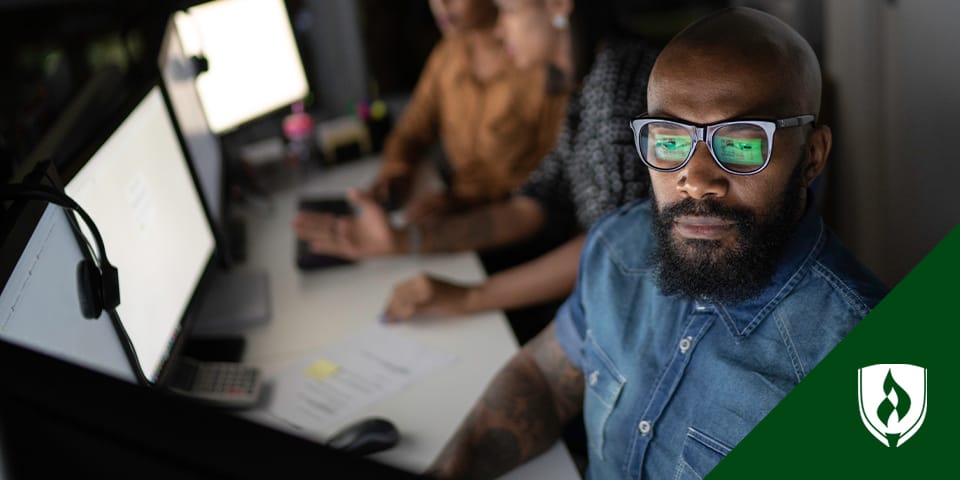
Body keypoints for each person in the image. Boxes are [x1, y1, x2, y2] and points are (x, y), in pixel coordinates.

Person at [427, 7, 889, 479]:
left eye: (742, 145)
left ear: (812, 156)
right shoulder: (617, 248)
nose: (695, 180)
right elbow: (542, 380)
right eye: (668, 141)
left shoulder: (868, 362)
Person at [294, 0, 659, 331]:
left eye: (509, 11)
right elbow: (535, 203)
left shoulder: (616, 81)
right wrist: (404, 240)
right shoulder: (583, 80)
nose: (500, 30)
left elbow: (612, 246)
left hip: (622, 313)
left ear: (558, 5)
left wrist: (470, 297)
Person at [366, 0, 568, 224]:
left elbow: (555, 177)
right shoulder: (448, 54)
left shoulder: (539, 59)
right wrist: (397, 171)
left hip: (515, 223)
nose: (441, 4)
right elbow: (413, 128)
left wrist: (469, 202)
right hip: (455, 212)